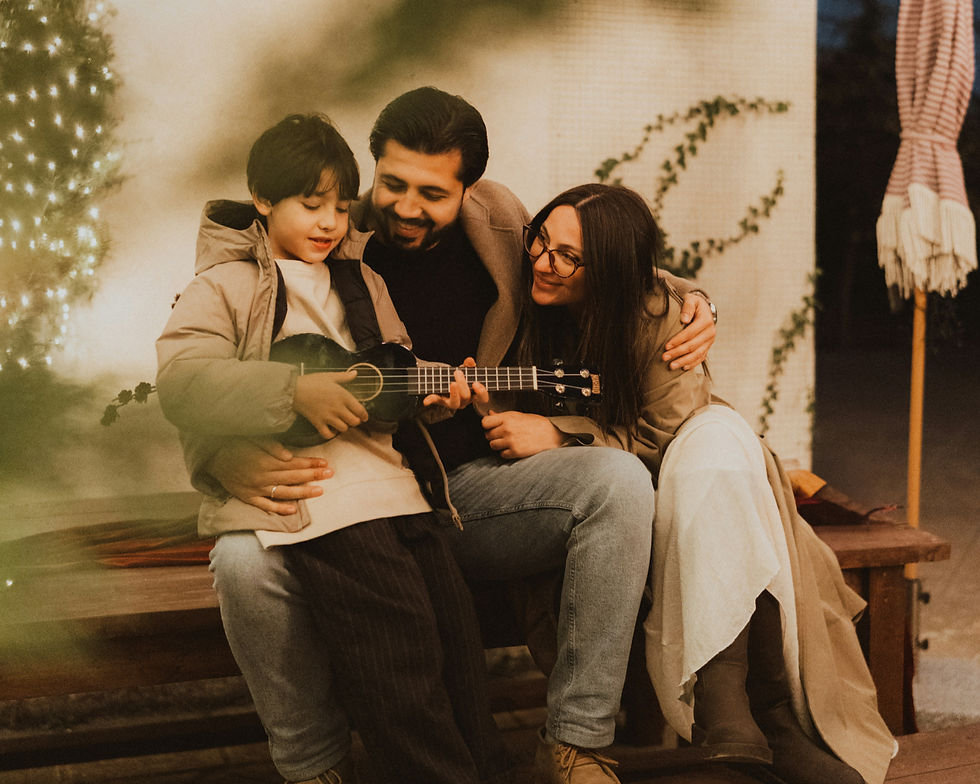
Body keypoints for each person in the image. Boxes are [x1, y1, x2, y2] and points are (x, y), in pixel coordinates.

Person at [203, 88, 719, 784]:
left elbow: (599, 255)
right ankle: (312, 767)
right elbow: (196, 359)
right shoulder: (316, 225)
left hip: (468, 493)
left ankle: (576, 741)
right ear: (371, 167)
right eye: (392, 184)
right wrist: (221, 455)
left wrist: (692, 300)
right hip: (335, 486)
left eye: (432, 193)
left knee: (619, 480)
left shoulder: (500, 222)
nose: (407, 207)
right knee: (240, 564)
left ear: (469, 189)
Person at [487, 182, 896, 784]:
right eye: (541, 240)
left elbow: (666, 432)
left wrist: (560, 434)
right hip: (596, 507)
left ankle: (745, 713)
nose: (544, 262)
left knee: (714, 439)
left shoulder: (654, 317)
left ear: (613, 272)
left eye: (569, 257)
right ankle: (753, 716)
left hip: (683, 487)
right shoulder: (520, 299)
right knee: (716, 449)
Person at [155, 113, 515, 784]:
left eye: (341, 207)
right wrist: (291, 393)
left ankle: (489, 770)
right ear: (263, 199)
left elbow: (393, 373)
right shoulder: (225, 287)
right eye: (310, 204)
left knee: (456, 642)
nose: (328, 222)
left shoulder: (364, 283)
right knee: (398, 657)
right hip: (323, 500)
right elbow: (183, 382)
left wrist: (423, 400)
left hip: (400, 495)